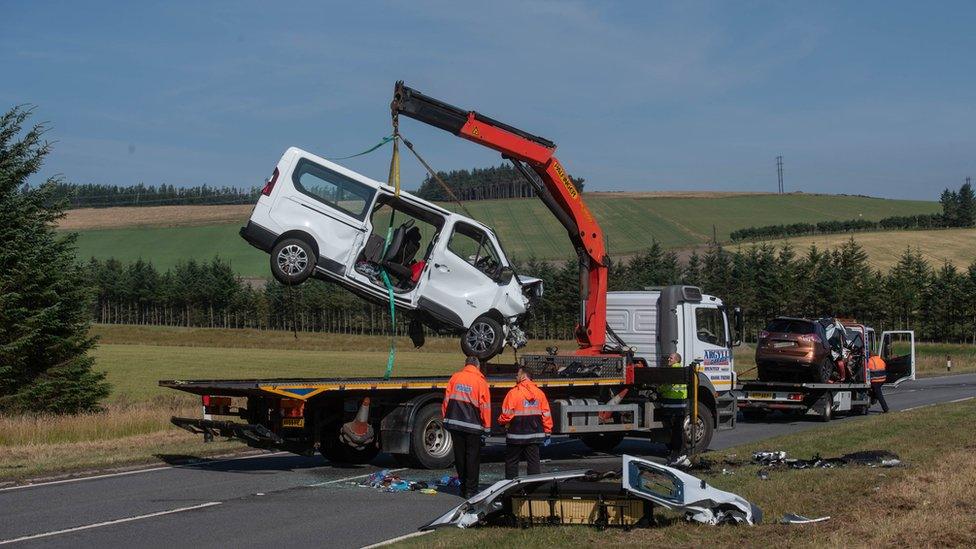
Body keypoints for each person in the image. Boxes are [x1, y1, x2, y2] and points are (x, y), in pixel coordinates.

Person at [442, 356, 491, 498]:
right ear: (477, 366)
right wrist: (487, 427)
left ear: (465, 365)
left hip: (455, 422)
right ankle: (470, 490)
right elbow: (485, 406)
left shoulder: (455, 377)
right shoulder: (480, 381)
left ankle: (463, 487)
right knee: (472, 458)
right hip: (473, 425)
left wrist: (446, 418)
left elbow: (446, 400)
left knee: (459, 456)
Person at [498, 368, 552, 479]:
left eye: (517, 374)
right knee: (533, 463)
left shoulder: (513, 393)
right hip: (534, 435)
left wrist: (500, 421)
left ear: (523, 376)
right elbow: (546, 414)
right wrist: (548, 431)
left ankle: (511, 489)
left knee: (512, 463)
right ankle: (533, 488)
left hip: (515, 435)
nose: (515, 377)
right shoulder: (539, 393)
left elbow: (507, 415)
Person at [659, 352, 688, 463]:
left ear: (676, 360)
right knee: (678, 429)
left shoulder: (671, 371)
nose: (668, 360)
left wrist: (659, 389)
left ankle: (676, 452)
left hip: (671, 405)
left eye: (671, 358)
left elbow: (667, 386)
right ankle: (680, 451)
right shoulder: (682, 371)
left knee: (673, 430)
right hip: (680, 405)